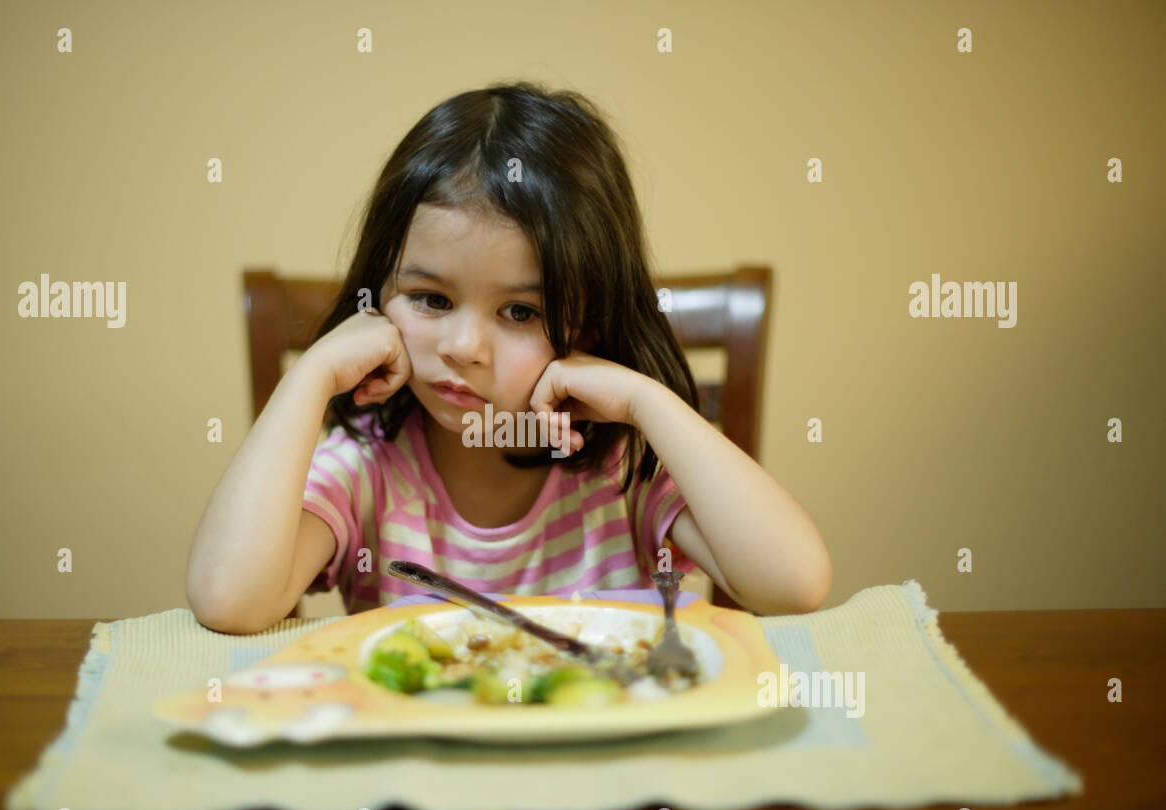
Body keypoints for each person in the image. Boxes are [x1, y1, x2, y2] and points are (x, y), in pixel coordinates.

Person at [186, 82, 831, 632]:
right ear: (378, 294)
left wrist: (642, 399)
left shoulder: (622, 469)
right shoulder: (365, 469)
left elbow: (795, 584)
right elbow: (228, 599)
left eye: (521, 312)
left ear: (589, 321)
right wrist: (310, 377)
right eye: (430, 298)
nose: (464, 348)